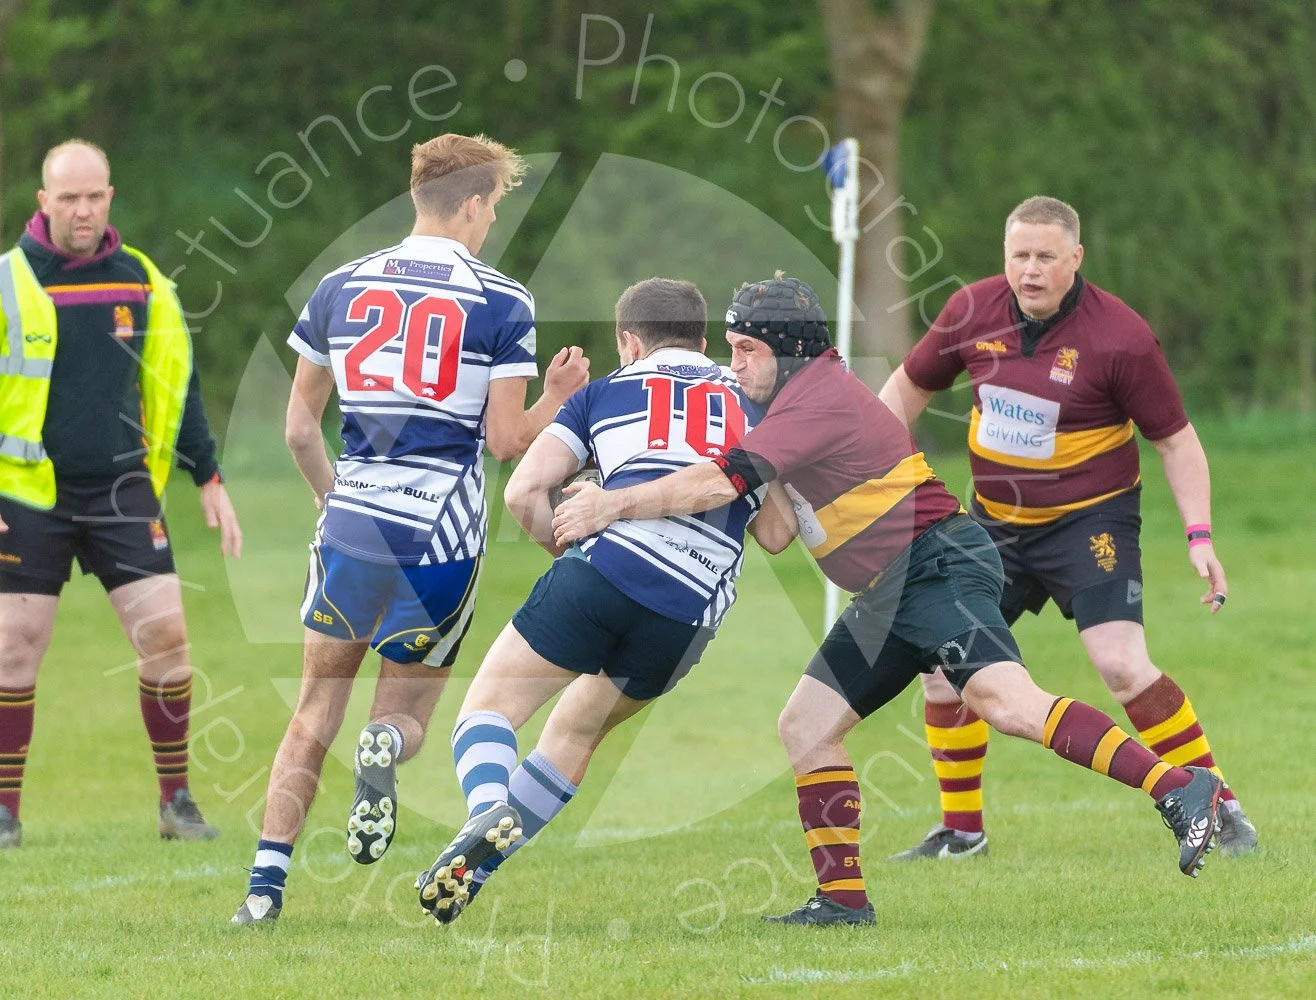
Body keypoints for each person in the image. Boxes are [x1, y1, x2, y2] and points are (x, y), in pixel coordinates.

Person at [553, 274, 1225, 928]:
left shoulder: (814, 399)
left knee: (1006, 703)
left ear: (787, 350)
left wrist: (616, 503)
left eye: (747, 350)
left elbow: (720, 484)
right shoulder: (785, 403)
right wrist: (717, 458)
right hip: (889, 588)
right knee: (806, 726)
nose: (736, 365)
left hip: (936, 562)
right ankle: (842, 901)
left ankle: (1178, 786)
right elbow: (778, 533)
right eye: (731, 349)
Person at [230, 133, 590, 926]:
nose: (491, 223)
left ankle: (262, 891)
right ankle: (386, 747)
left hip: (351, 526)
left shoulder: (338, 286)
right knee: (406, 716)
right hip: (439, 536)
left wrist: (331, 499)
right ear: (471, 204)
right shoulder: (502, 301)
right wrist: (560, 396)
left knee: (313, 710)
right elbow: (506, 440)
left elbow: (298, 429)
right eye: (492, 208)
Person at [877, 196, 1255, 862]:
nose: (1030, 270)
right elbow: (907, 388)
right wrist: (872, 470)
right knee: (942, 667)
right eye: (1019, 255)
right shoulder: (970, 310)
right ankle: (962, 833)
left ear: (1075, 258)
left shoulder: (1121, 337)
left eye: (1046, 257)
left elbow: (1175, 441)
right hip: (994, 525)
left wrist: (1200, 536)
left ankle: (1218, 804)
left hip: (1090, 522)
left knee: (1121, 664)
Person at [413, 277, 796, 924]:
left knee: (489, 709)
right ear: (703, 339)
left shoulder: (604, 392)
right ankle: (475, 870)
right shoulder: (757, 406)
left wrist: (566, 554)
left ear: (629, 342)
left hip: (606, 570)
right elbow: (779, 534)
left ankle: (485, 811)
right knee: (576, 732)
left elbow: (522, 491)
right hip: (691, 610)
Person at [0, 139, 242, 852]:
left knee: (166, 638)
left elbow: (176, 382)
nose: (82, 209)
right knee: (14, 648)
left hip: (121, 492)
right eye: (68, 197)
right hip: (24, 498)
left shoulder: (143, 281)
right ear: (43, 201)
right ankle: (3, 815)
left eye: (94, 196)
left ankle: (176, 803)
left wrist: (208, 474)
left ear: (110, 198)